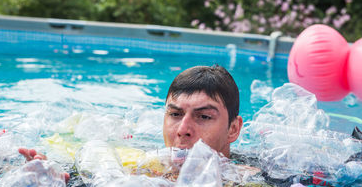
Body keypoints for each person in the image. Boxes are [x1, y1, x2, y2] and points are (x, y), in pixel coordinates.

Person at [20, 65, 243, 160]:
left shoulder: (258, 186)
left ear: (233, 129)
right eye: (175, 115)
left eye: (203, 117)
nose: (183, 130)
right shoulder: (135, 165)